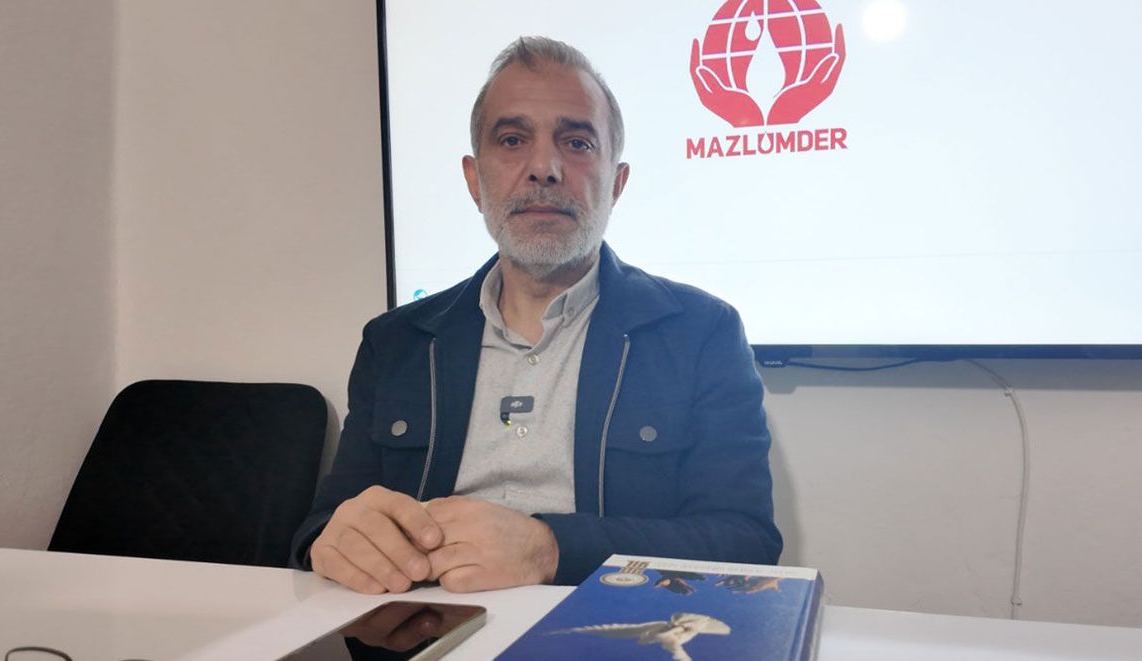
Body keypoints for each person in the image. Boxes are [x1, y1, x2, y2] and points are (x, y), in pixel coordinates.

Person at [291, 36, 780, 593]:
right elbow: (322, 527)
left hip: (603, 627)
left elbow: (745, 543)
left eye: (577, 142)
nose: (544, 167)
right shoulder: (396, 341)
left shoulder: (701, 333)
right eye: (512, 139)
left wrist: (550, 549)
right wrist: (333, 541)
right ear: (474, 180)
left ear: (617, 184)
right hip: (419, 623)